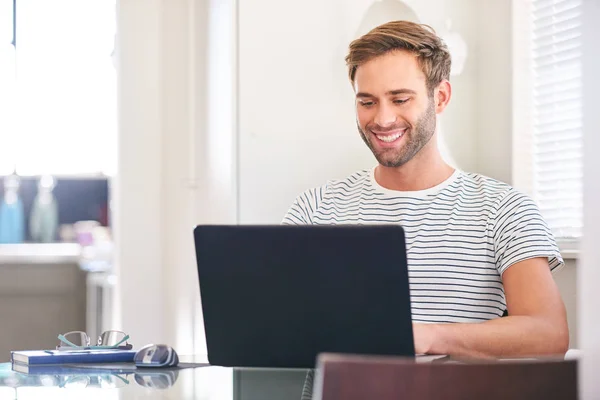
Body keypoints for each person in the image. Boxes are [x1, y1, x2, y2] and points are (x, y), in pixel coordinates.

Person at [282, 20, 569, 358]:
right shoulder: (315, 209)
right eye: (367, 102)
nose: (383, 119)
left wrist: (427, 337)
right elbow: (279, 322)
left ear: (441, 97)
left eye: (400, 99)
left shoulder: (504, 209)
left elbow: (548, 333)